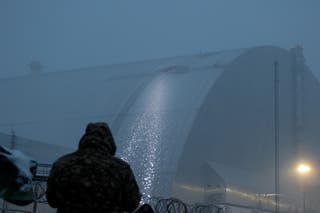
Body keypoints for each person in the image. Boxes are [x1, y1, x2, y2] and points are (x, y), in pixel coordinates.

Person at [46, 122, 141, 213]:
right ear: (109, 141)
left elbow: (52, 200)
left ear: (85, 139)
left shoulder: (63, 163)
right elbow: (132, 203)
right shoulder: (121, 168)